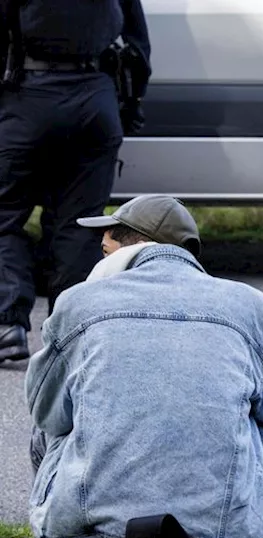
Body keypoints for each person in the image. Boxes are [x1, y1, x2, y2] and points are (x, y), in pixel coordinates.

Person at [26, 195, 263, 538]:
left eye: (104, 249)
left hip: (98, 529)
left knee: (49, 431)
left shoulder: (78, 302)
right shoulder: (249, 305)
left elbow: (45, 411)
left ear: (129, 249)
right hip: (226, 537)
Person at [0, 0, 151, 364]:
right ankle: (70, 333)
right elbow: (138, 45)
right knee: (78, 222)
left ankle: (7, 326)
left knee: (3, 215)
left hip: (26, 98)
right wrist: (127, 107)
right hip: (95, 102)